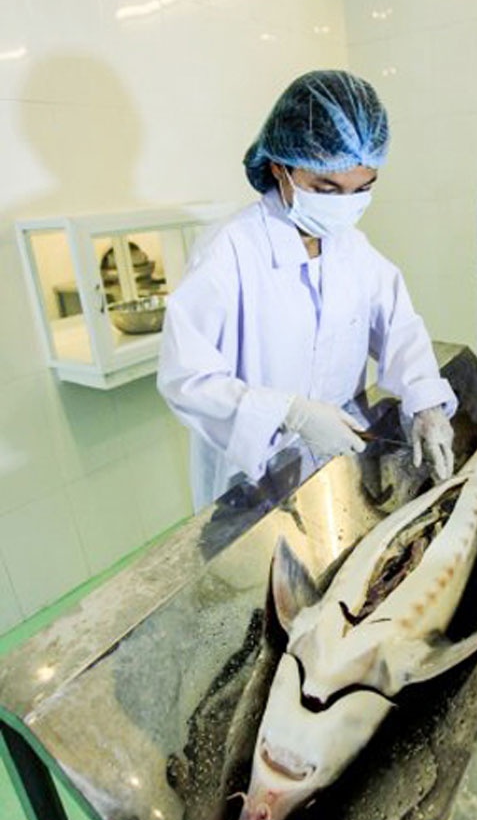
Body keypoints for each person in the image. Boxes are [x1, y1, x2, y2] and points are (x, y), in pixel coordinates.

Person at [158, 70, 456, 511]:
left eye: (362, 189)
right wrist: (289, 412)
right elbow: (186, 380)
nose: (344, 206)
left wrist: (427, 403)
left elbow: (399, 329)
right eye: (326, 188)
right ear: (280, 167)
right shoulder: (229, 252)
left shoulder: (353, 248)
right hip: (251, 479)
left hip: (334, 467)